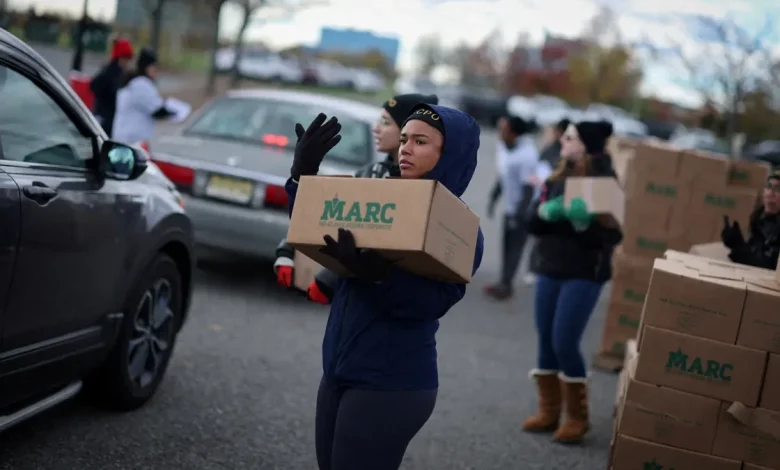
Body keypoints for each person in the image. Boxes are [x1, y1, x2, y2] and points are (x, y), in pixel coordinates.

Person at [285, 106, 483, 470]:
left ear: (449, 154)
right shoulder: (382, 197)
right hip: (338, 370)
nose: (405, 148)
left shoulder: (459, 227)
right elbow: (315, 224)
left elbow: (431, 303)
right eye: (404, 139)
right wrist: (302, 175)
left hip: (391, 384)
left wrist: (378, 276)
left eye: (420, 141)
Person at [274, 93, 439, 303]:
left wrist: (331, 278)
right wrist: (287, 249)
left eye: (386, 123)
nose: (376, 128)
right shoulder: (371, 172)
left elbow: (409, 281)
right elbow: (327, 218)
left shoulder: (428, 194)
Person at [522, 120, 622, 444]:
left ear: (587, 145)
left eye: (571, 136)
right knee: (543, 337)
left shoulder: (605, 181)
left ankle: (577, 417)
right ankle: (549, 411)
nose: (562, 139)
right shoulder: (555, 175)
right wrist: (545, 213)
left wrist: (585, 224)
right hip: (549, 266)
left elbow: (613, 234)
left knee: (564, 340)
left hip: (584, 272)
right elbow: (531, 224)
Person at [484, 115, 540, 300]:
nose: (500, 132)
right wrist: (493, 198)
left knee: (515, 246)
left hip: (523, 209)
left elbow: (529, 188)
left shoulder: (527, 155)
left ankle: (506, 285)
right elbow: (503, 175)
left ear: (514, 133)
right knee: (506, 244)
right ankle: (503, 281)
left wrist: (520, 215)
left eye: (503, 129)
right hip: (509, 207)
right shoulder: (503, 148)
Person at [523, 118, 571, 286]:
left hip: (555, 200)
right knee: (536, 235)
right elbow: (539, 166)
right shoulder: (550, 149)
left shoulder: (566, 154)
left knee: (546, 237)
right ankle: (532, 268)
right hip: (541, 196)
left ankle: (539, 269)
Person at [112, 48, 174, 145]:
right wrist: (175, 111)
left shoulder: (132, 82)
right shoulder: (142, 84)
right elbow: (157, 110)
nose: (157, 72)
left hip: (123, 137)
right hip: (133, 140)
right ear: (147, 68)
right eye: (154, 68)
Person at [721, 171, 780, 269]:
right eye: (768, 186)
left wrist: (739, 248)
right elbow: (753, 254)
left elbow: (768, 266)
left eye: (777, 188)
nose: (771, 192)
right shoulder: (758, 219)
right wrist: (734, 242)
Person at [90, 37, 134, 137]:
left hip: (110, 118)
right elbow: (94, 86)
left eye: (129, 58)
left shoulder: (120, 73)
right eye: (125, 58)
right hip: (106, 118)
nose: (128, 62)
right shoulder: (110, 73)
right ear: (119, 57)